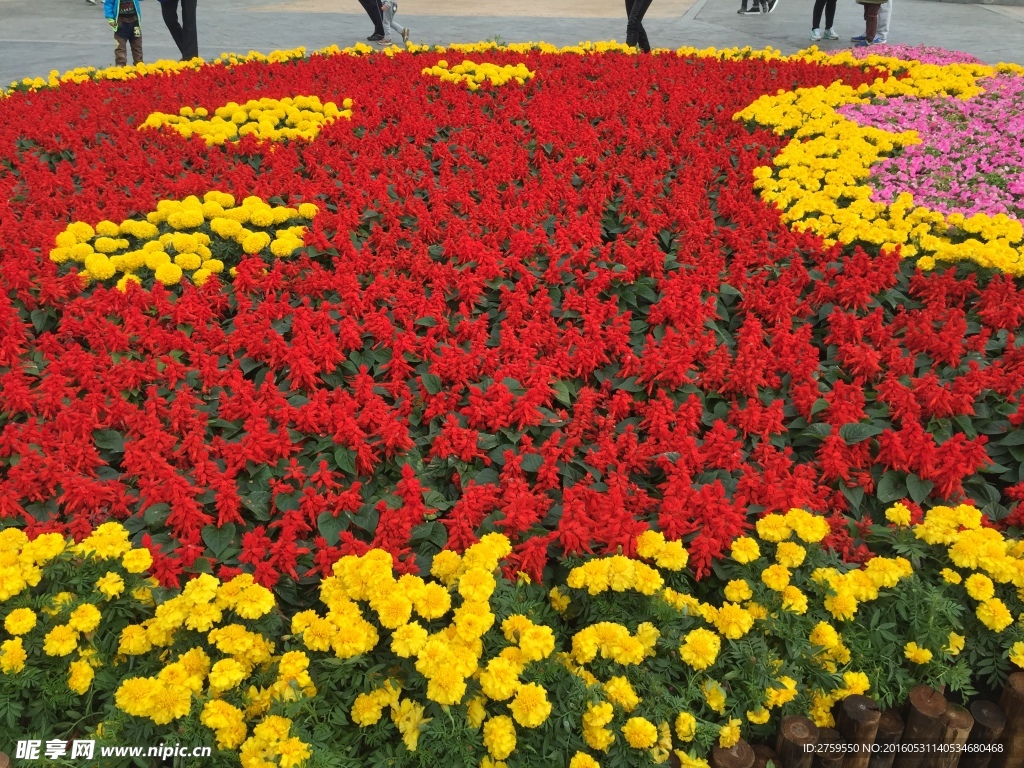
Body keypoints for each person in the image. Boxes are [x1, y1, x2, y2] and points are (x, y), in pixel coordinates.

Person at [105, 0, 143, 65]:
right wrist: (110, 18)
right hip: (120, 22)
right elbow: (108, 4)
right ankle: (120, 66)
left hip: (135, 21)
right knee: (120, 47)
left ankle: (139, 65)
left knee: (137, 46)